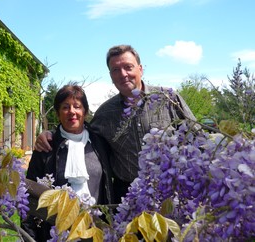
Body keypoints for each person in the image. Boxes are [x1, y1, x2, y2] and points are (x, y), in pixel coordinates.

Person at [34, 45, 197, 204]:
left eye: (128, 67)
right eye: (116, 70)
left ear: (140, 69)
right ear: (111, 75)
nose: (123, 74)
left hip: (172, 192)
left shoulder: (168, 99)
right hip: (129, 197)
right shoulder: (105, 113)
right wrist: (50, 134)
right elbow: (77, 128)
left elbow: (197, 138)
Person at [22, 83, 114, 242]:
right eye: (65, 107)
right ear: (58, 113)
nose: (72, 111)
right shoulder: (46, 147)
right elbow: (29, 193)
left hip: (95, 228)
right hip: (54, 231)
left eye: (77, 106)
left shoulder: (100, 144)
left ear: (84, 111)